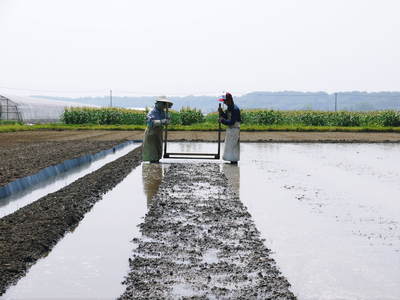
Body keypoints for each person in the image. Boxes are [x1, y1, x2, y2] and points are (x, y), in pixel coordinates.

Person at [142, 96, 173, 163]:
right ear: (158, 103)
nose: (164, 106)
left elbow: (166, 120)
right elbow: (150, 122)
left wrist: (168, 120)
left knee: (158, 148)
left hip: (158, 132)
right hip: (152, 133)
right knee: (153, 151)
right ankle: (152, 166)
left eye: (165, 104)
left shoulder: (162, 112)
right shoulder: (153, 111)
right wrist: (162, 121)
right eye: (163, 104)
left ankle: (156, 163)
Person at [218, 92, 241, 164]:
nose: (224, 103)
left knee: (233, 148)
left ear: (229, 100)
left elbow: (232, 122)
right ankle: (232, 167)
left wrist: (222, 120)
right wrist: (221, 113)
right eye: (223, 101)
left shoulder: (235, 109)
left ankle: (233, 164)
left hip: (234, 130)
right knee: (230, 148)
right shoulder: (229, 108)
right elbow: (227, 117)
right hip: (230, 130)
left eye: (225, 101)